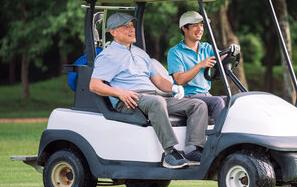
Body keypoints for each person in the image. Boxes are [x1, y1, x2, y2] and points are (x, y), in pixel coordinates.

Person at [89, 12, 208, 169]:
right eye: (126, 27)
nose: (132, 30)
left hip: (151, 98)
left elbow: (158, 81)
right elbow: (94, 85)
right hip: (129, 100)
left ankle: (192, 150)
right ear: (113, 32)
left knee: (198, 105)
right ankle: (170, 152)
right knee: (157, 101)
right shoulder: (107, 56)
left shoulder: (141, 53)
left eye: (132, 26)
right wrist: (120, 93)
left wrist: (173, 87)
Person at [167, 11, 227, 123]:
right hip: (187, 97)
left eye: (201, 25)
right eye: (195, 25)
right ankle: (221, 138)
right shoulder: (175, 52)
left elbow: (222, 58)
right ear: (184, 28)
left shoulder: (206, 47)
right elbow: (179, 79)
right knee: (218, 102)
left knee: (231, 100)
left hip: (206, 95)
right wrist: (200, 65)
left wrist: (231, 54)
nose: (200, 29)